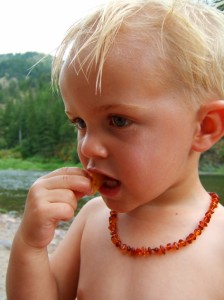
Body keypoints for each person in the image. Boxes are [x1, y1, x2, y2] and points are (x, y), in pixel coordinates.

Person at [6, 0, 224, 299]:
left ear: (205, 128)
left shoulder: (220, 243)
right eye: (80, 122)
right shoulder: (91, 220)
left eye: (118, 120)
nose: (88, 145)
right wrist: (30, 245)